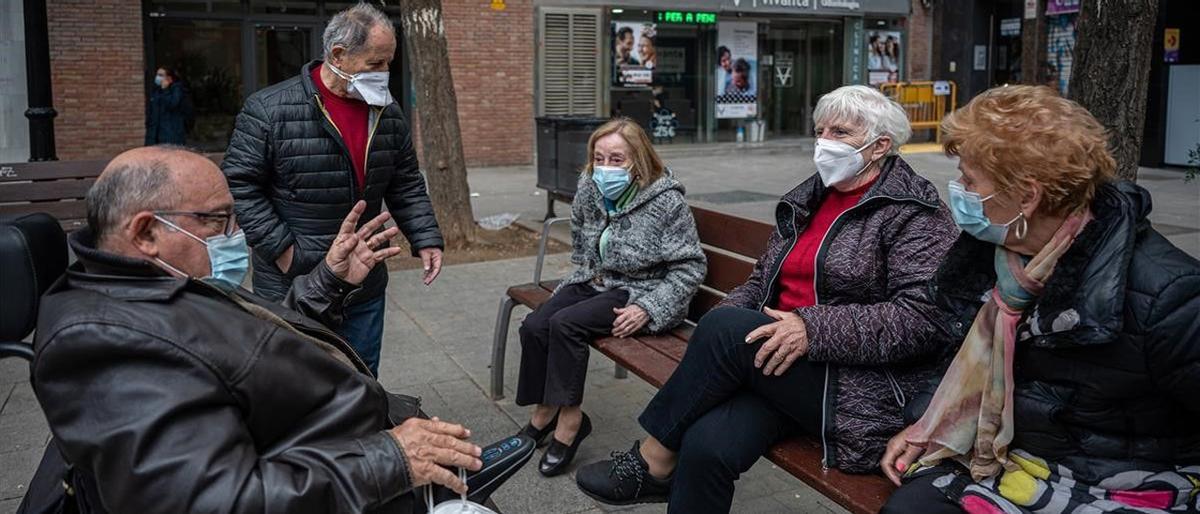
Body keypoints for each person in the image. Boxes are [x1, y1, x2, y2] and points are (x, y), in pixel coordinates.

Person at [26, 146, 510, 513]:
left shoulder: (150, 284)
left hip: (354, 446)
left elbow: (248, 346)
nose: (236, 235)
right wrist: (390, 459)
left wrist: (330, 282)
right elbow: (212, 500)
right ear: (147, 233)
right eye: (218, 220)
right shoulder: (105, 342)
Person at [576, 85, 959, 512]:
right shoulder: (810, 199)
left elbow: (923, 319)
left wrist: (811, 329)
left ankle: (649, 460)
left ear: (880, 145)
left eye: (840, 132)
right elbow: (761, 282)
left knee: (721, 331)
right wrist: (725, 340)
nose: (824, 141)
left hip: (855, 384)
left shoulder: (916, 213)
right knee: (706, 446)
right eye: (820, 130)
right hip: (781, 362)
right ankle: (663, 464)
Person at [879, 86, 1200, 513]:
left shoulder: (1167, 295)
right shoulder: (996, 258)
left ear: (1028, 196)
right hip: (1020, 458)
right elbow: (965, 360)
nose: (958, 189)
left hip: (1125, 482)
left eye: (970, 180)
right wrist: (929, 425)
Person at [223, 3, 443, 377]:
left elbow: (404, 180)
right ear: (339, 55)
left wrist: (425, 237)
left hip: (364, 278)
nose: (385, 73)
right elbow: (239, 185)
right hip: (293, 281)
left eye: (389, 62)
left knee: (361, 379)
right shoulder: (268, 109)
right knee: (293, 381)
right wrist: (284, 251)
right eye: (376, 63)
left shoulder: (387, 112)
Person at [515, 118, 705, 478]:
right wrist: (580, 278)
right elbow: (581, 237)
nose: (604, 168)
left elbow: (690, 268)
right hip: (595, 279)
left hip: (639, 290)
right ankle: (545, 409)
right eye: (599, 158)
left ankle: (570, 422)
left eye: (616, 159)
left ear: (638, 159)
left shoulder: (666, 202)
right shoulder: (590, 185)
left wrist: (648, 308)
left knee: (565, 324)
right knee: (535, 325)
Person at [146, 67, 188, 145]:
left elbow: (172, 104)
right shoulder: (156, 91)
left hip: (171, 136)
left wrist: (165, 90)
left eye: (161, 75)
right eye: (157, 74)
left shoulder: (176, 90)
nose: (157, 77)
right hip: (155, 135)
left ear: (169, 78)